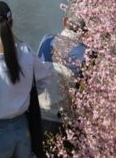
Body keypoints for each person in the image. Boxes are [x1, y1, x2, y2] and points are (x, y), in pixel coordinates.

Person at [0, 0, 52, 158]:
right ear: (11, 23)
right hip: (22, 127)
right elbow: (45, 77)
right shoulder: (25, 51)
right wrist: (25, 93)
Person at [36, 12, 87, 147]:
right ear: (86, 33)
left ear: (65, 21)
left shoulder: (46, 40)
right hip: (63, 122)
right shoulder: (87, 54)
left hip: (38, 115)